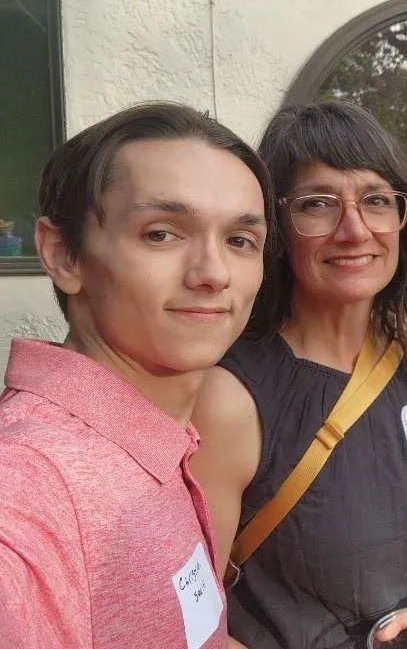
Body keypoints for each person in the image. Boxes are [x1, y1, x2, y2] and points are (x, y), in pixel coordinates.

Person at [190, 101, 407, 649]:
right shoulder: (231, 398)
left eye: (375, 200)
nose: (354, 229)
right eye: (317, 204)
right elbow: (197, 621)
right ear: (275, 226)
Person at [0, 102, 273, 649]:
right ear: (63, 255)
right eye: (161, 234)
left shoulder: (155, 442)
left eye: (240, 241)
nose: (213, 274)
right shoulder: (29, 489)